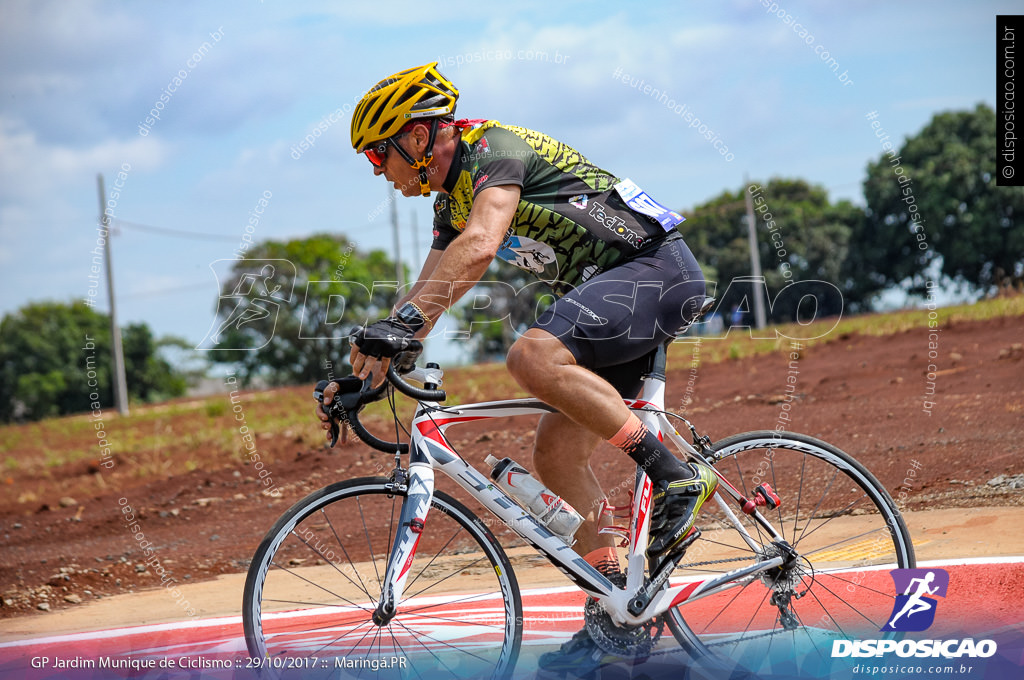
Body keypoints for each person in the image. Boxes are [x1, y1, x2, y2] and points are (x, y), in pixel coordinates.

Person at [316, 62, 718, 666]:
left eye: (379, 156)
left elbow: (479, 246)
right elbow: (428, 294)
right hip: (612, 287)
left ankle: (676, 474)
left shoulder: (492, 150)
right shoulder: (449, 200)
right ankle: (616, 607)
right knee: (555, 454)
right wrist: (368, 370)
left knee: (531, 354)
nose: (380, 173)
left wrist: (397, 327)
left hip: (656, 271)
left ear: (418, 139)